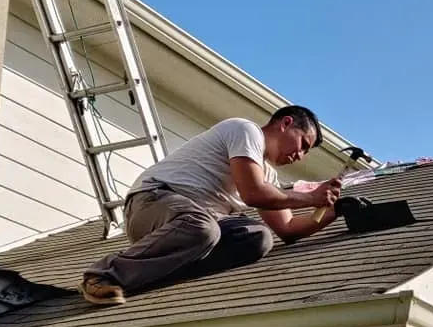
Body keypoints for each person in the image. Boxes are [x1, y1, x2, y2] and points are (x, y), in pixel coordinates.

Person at [80, 105, 346, 305]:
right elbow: (254, 193)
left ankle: (155, 273)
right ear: (286, 123)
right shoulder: (245, 130)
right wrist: (311, 198)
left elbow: (287, 228)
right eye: (302, 144)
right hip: (152, 203)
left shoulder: (269, 176)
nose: (299, 156)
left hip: (190, 234)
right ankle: (103, 274)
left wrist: (337, 209)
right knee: (203, 227)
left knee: (257, 238)